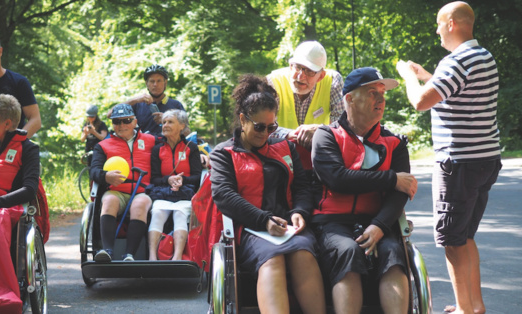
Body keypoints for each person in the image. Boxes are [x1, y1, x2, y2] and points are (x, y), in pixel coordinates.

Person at [395, 2, 501, 313]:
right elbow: (456, 93)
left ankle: (466, 310)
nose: (437, 30)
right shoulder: (482, 57)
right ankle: (474, 305)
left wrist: (407, 76)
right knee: (466, 236)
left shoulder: (455, 62)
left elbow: (419, 101)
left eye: (439, 24)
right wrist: (427, 74)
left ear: (452, 23)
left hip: (458, 163)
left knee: (453, 241)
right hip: (485, 159)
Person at [210, 74, 325, 313]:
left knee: (303, 255)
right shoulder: (224, 153)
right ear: (243, 120)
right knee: (272, 259)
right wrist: (264, 220)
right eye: (259, 127)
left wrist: (300, 212)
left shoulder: (286, 147)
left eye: (271, 127)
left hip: (290, 227)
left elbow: (302, 186)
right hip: (250, 229)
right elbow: (224, 196)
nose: (265, 133)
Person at [310, 67, 418, 314]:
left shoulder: (395, 143)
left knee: (393, 254)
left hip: (378, 221)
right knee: (347, 251)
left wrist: (380, 225)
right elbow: (337, 179)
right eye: (372, 93)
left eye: (382, 93)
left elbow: (401, 193)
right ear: (349, 98)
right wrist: (391, 179)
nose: (381, 99)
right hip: (332, 223)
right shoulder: (326, 136)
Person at [89, 103, 156, 262]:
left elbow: (173, 146)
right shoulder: (103, 145)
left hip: (142, 191)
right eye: (116, 121)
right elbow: (94, 171)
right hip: (116, 190)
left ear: (134, 121)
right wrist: (106, 176)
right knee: (109, 200)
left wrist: (201, 156)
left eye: (126, 120)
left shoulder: (151, 140)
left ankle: (130, 255)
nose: (122, 125)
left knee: (139, 205)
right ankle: (107, 251)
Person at [267, 41, 345, 149]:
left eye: (309, 71)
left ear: (321, 76)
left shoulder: (333, 82)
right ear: (290, 66)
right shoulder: (273, 82)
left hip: (319, 153)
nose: (301, 76)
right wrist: (291, 134)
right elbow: (261, 128)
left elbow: (344, 127)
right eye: (298, 67)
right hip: (279, 152)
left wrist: (320, 130)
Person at [147, 109, 202, 261]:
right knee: (157, 213)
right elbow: (155, 178)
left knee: (180, 214)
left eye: (170, 122)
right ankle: (152, 257)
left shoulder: (191, 147)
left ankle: (177, 258)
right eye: (164, 122)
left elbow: (197, 177)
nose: (165, 125)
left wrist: (182, 181)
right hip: (163, 191)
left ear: (182, 125)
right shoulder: (158, 149)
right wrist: (169, 180)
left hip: (185, 192)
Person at [124, 64, 185, 135]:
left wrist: (167, 120)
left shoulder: (176, 105)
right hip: (143, 145)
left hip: (168, 145)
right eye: (152, 81)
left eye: (159, 81)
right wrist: (134, 100)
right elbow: (110, 114)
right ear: (146, 84)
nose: (155, 84)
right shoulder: (138, 104)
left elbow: (186, 133)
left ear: (165, 83)